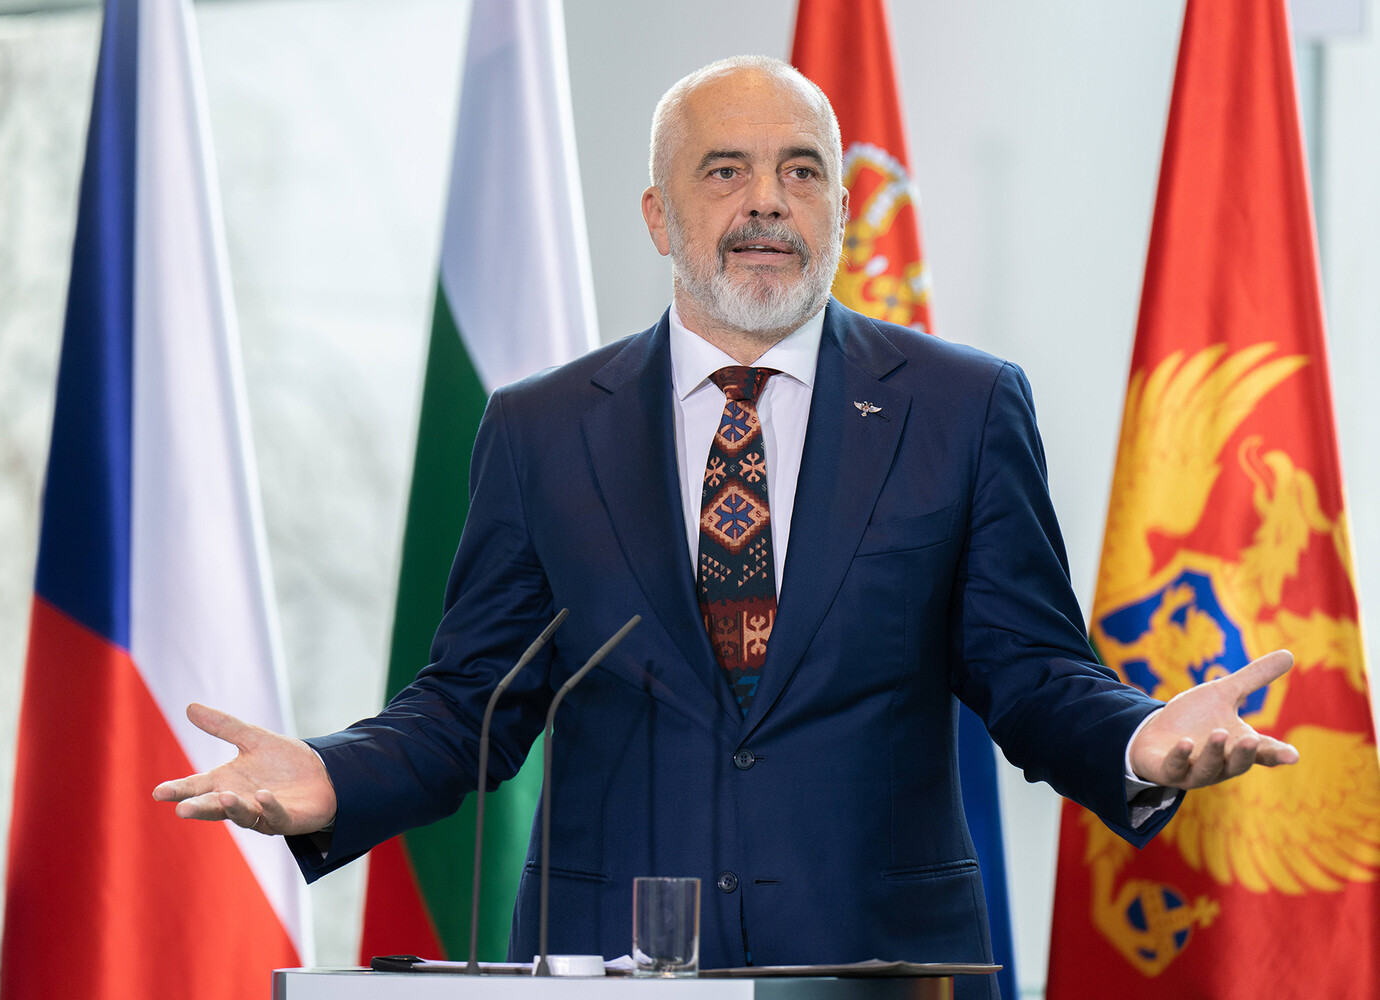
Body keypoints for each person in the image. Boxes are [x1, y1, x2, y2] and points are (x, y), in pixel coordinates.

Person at [154, 56, 1298, 999]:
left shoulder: (962, 407)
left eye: (803, 170)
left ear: (839, 210)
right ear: (659, 215)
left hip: (879, 966)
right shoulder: (542, 428)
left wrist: (1139, 739)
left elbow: (1033, 670)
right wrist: (334, 776)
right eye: (725, 170)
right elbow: (470, 707)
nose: (767, 200)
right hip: (609, 970)